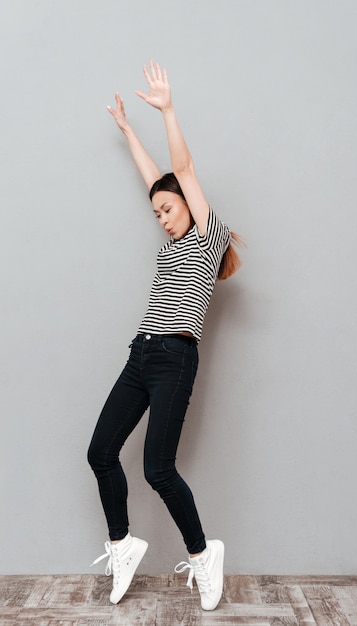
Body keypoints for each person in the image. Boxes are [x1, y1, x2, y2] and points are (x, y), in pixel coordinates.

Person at [87, 61, 241, 612]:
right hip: (141, 355)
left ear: (190, 206)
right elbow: (157, 178)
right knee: (101, 451)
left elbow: (180, 167)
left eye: (169, 208)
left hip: (176, 358)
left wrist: (167, 111)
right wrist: (129, 131)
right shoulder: (170, 240)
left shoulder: (208, 238)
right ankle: (123, 543)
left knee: (157, 469)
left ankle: (203, 555)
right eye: (157, 213)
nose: (163, 218)